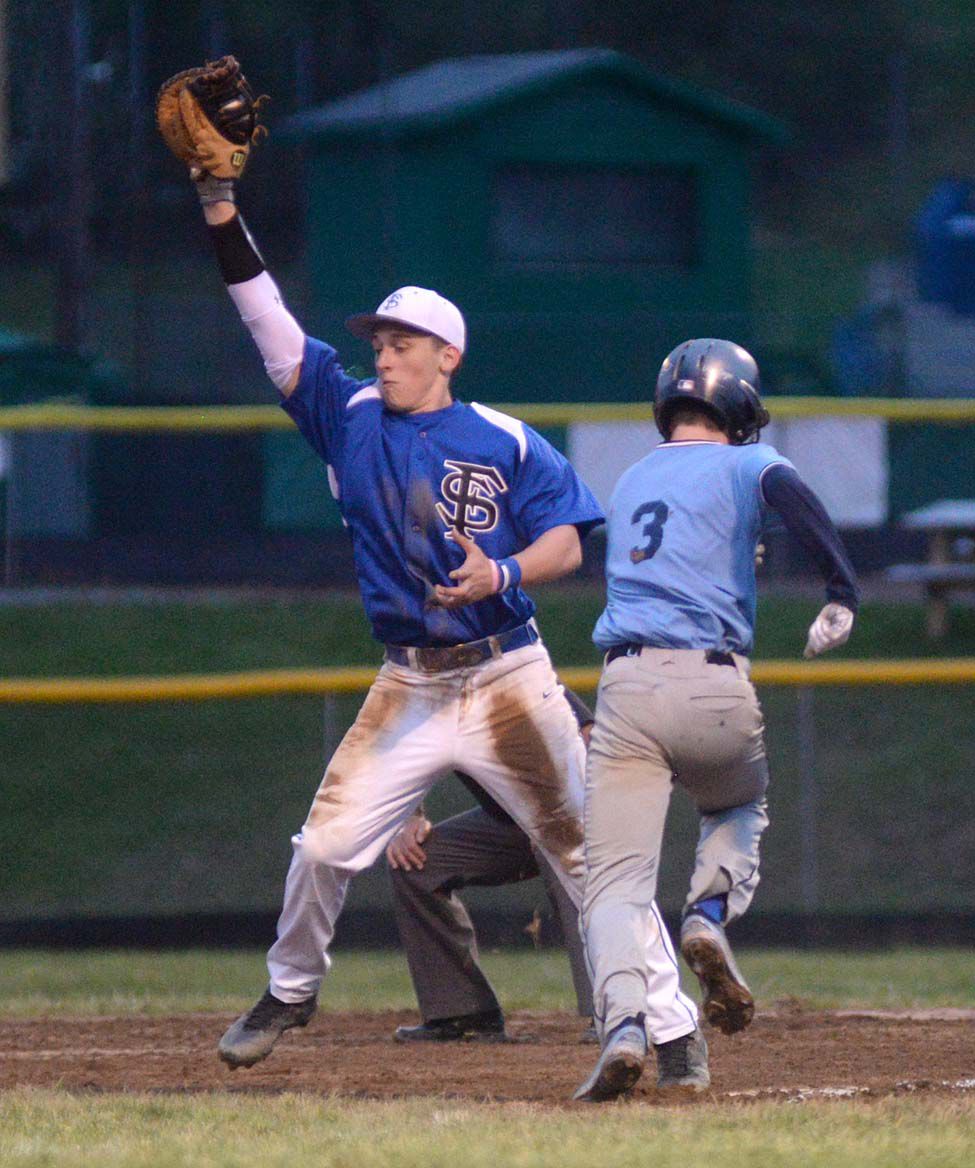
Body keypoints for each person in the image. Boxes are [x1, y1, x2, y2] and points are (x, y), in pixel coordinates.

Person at [190, 172, 704, 1084]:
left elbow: (565, 545)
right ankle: (292, 989)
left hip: (509, 673)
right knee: (322, 847)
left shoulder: (505, 438)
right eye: (379, 343)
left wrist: (500, 571)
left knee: (587, 854)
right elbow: (265, 321)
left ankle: (670, 1032)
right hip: (412, 683)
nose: (383, 357)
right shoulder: (345, 418)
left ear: (447, 355)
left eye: (402, 343)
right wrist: (221, 209)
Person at [574, 338, 860, 1102]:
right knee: (738, 802)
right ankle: (706, 909)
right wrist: (842, 591)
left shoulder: (632, 475)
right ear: (738, 406)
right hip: (712, 684)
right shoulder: (744, 463)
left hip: (626, 689)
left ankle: (627, 1027)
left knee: (612, 886)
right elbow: (796, 503)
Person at [386, 687, 596, 1043]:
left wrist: (560, 811)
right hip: (508, 823)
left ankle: (615, 1010)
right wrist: (408, 817)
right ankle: (463, 1012)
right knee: (416, 863)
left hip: (572, 813)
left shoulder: (511, 672)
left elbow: (591, 739)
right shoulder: (426, 690)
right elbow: (403, 753)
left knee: (564, 853)